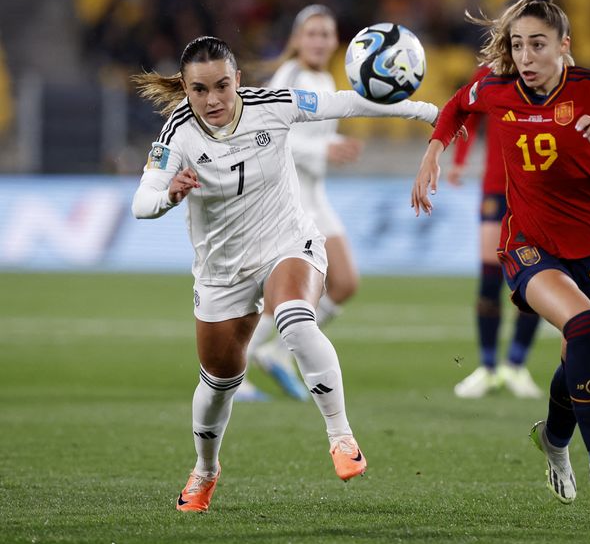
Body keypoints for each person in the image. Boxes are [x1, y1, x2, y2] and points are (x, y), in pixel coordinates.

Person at [131, 35, 438, 512]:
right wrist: (168, 196)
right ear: (185, 89)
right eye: (198, 90)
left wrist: (422, 112)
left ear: (237, 80)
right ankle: (205, 470)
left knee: (295, 318)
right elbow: (141, 201)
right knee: (218, 385)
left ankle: (341, 436)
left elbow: (344, 103)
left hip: (287, 243)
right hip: (221, 273)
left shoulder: (272, 104)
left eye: (221, 86)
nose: (212, 100)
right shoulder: (177, 134)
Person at [412, 0, 590, 511]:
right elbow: (458, 105)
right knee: (583, 326)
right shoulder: (497, 86)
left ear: (564, 45)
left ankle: (553, 440)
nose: (526, 57)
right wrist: (434, 150)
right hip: (528, 245)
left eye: (539, 45)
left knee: (580, 354)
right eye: (519, 45)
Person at [237, 5, 363, 403]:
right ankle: (236, 370)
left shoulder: (325, 77)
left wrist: (326, 151)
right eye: (312, 33)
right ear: (297, 39)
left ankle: (275, 351)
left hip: (315, 194)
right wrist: (326, 147)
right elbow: (272, 136)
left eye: (326, 34)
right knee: (285, 295)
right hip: (289, 198)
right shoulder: (290, 77)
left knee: (344, 284)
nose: (320, 41)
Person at [447, 65, 543, 399]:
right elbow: (467, 114)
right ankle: (487, 368)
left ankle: (515, 365)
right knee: (490, 276)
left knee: (534, 280)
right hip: (495, 187)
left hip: (537, 191)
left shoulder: (550, 74)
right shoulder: (489, 73)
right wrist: (459, 159)